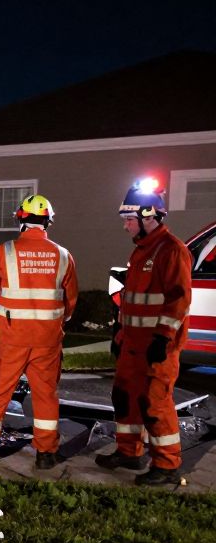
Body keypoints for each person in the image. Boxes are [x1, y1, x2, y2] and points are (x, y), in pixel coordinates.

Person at [0, 194, 78, 469]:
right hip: (47, 341)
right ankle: (46, 454)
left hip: (12, 340)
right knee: (46, 396)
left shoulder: (6, 251)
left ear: (21, 220)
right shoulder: (63, 255)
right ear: (47, 222)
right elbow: (70, 302)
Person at [97, 178, 191, 486]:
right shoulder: (140, 251)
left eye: (129, 220)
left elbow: (179, 300)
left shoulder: (172, 250)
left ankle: (167, 465)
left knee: (155, 404)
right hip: (132, 344)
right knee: (125, 398)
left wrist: (163, 338)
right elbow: (133, 299)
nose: (125, 227)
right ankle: (129, 453)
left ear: (149, 216)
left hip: (156, 347)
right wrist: (119, 332)